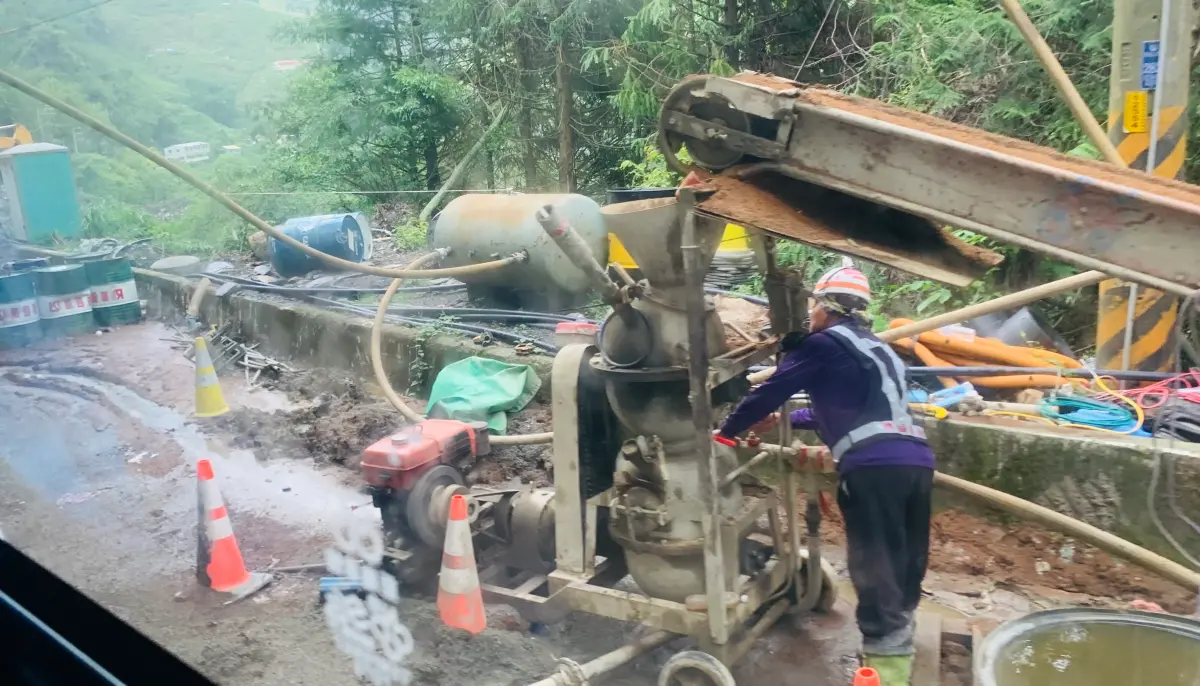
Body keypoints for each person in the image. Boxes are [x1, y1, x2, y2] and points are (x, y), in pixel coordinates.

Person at [715, 260, 935, 686]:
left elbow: (772, 390)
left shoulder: (822, 345)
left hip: (873, 469)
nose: (812, 315)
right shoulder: (877, 347)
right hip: (916, 462)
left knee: (874, 568)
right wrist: (790, 420)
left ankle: (886, 674)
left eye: (815, 306)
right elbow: (839, 409)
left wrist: (727, 432)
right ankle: (898, 645)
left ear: (826, 308)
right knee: (906, 561)